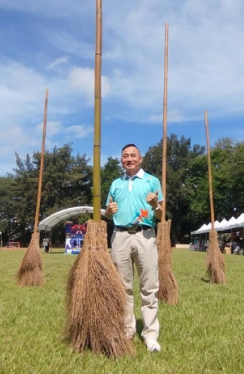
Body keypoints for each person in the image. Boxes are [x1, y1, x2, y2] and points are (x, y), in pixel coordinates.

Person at [105, 144, 163, 353]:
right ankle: (126, 329)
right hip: (120, 236)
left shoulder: (152, 181)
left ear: (140, 159)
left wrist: (155, 204)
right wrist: (108, 211)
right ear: (121, 160)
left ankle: (150, 334)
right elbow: (108, 213)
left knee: (149, 286)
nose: (129, 159)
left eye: (133, 155)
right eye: (125, 156)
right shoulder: (116, 184)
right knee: (122, 287)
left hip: (145, 235)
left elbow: (160, 215)